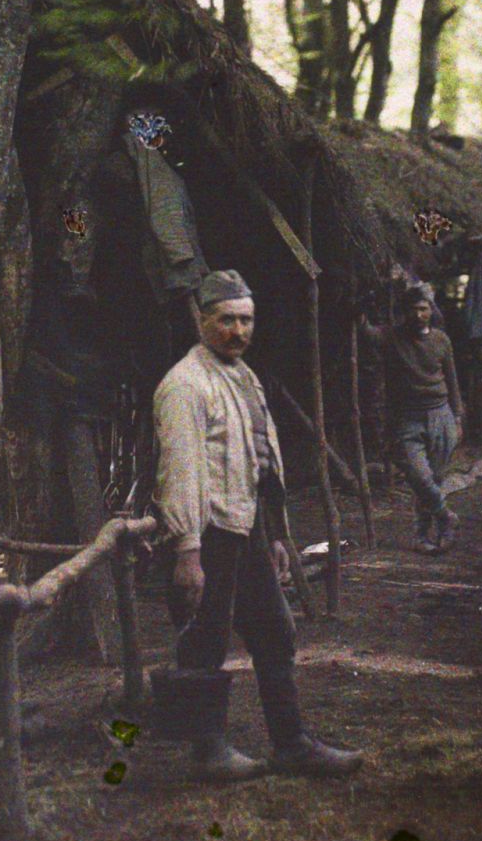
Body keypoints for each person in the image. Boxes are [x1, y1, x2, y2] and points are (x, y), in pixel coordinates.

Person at [153, 269, 364, 782]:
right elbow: (179, 471)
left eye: (246, 320)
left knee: (274, 631)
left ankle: (292, 744)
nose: (238, 331)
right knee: (204, 640)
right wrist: (186, 550)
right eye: (226, 320)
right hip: (206, 535)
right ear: (202, 320)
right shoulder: (185, 385)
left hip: (245, 528)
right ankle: (208, 752)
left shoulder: (244, 377)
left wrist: (272, 533)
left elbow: (260, 462)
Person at [360, 283, 465, 553]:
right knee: (420, 476)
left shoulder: (441, 339)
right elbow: (367, 333)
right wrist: (360, 308)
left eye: (423, 309)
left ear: (431, 310)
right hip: (408, 418)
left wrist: (458, 417)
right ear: (404, 313)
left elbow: (452, 380)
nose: (419, 315)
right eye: (413, 310)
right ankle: (446, 517)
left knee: (435, 479)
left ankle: (423, 535)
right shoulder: (393, 337)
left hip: (441, 414)